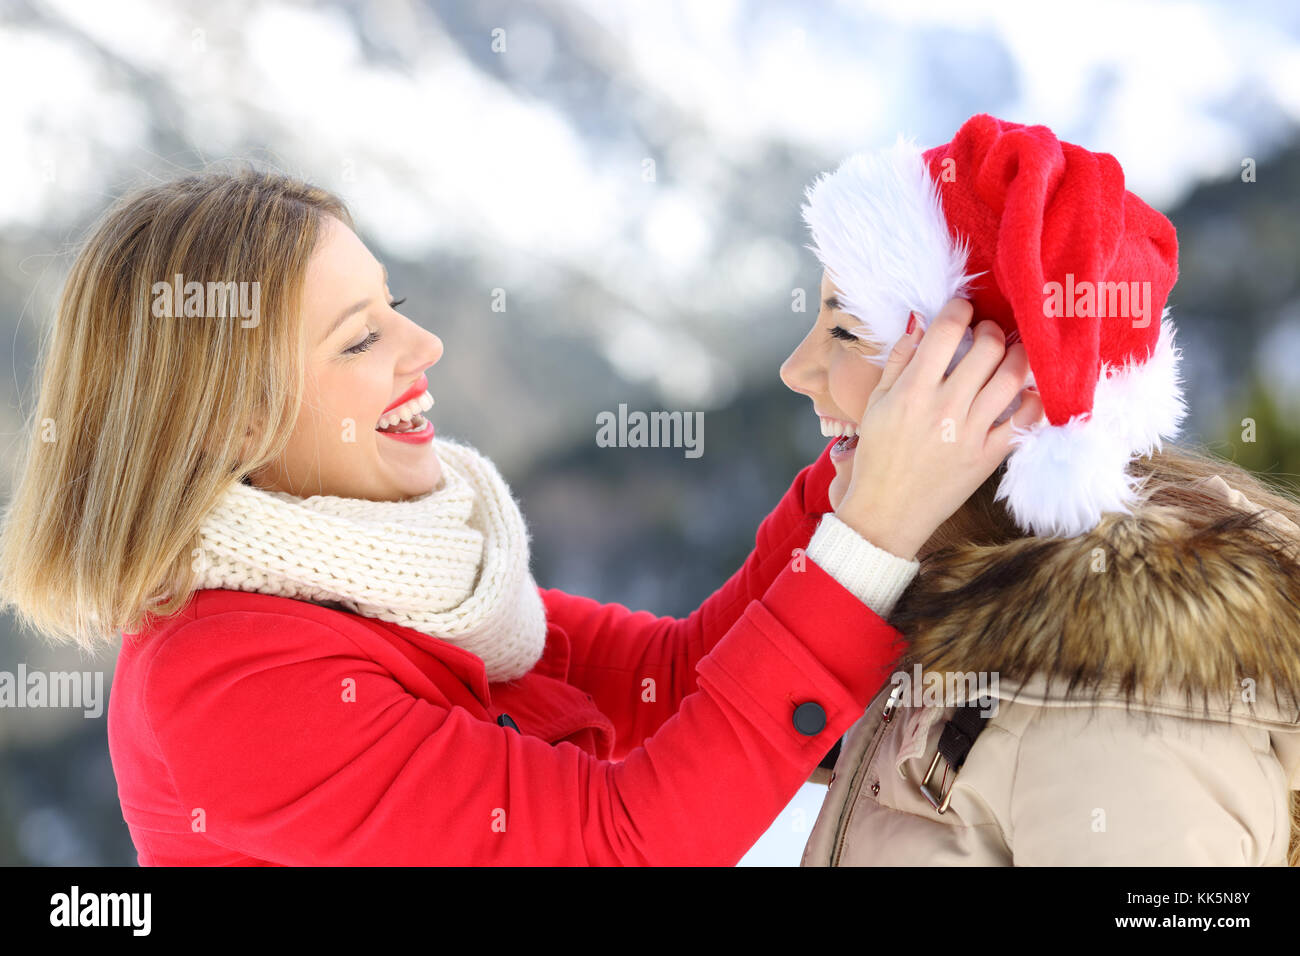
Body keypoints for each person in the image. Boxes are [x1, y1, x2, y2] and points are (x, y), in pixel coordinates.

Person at [0, 161, 1040, 865]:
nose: (425, 350)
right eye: (360, 341)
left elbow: (671, 681)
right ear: (227, 422)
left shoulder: (395, 570)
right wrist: (869, 538)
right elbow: (619, 843)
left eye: (394, 309)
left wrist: (858, 473)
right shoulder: (227, 681)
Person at [789, 113, 1300, 865]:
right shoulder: (947, 601)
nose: (794, 370)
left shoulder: (1120, 712)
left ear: (990, 382)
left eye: (844, 330)